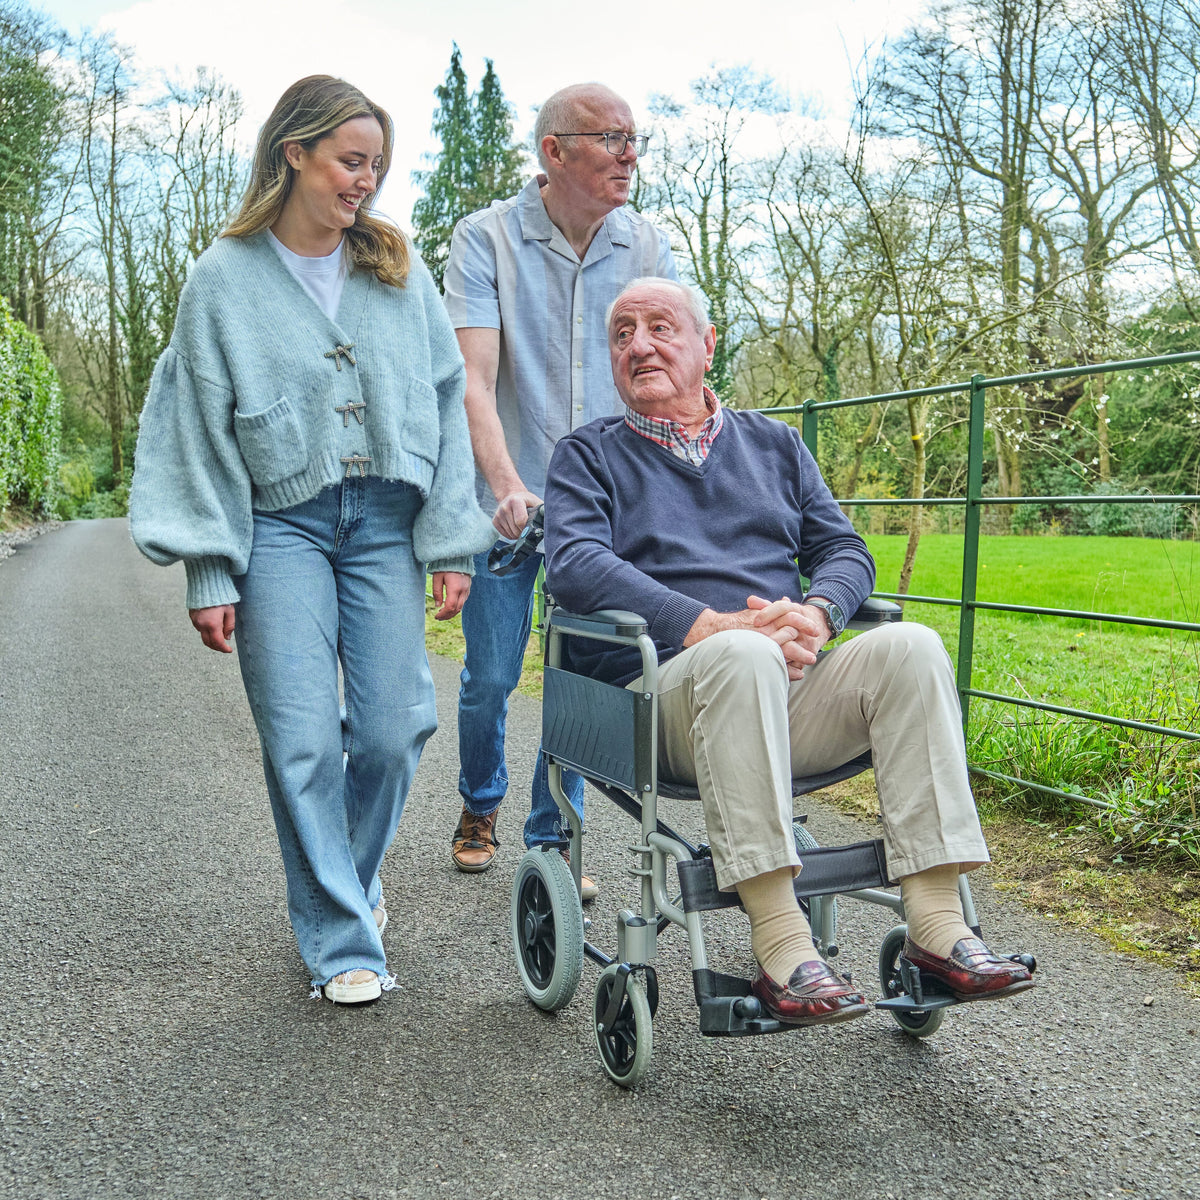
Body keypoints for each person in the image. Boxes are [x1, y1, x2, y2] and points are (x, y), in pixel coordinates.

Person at [542, 278, 1035, 1026]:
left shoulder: (775, 444)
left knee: (910, 646)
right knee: (741, 659)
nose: (639, 344)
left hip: (779, 681)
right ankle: (781, 945)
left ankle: (936, 926)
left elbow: (841, 548)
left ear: (708, 345)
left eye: (660, 327)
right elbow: (574, 563)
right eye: (621, 333)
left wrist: (817, 612)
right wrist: (704, 624)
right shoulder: (588, 455)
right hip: (659, 696)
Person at [129, 76, 495, 1006]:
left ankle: (347, 878)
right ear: (294, 153)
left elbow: (446, 403)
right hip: (277, 528)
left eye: (375, 164)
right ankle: (342, 938)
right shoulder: (223, 278)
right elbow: (195, 426)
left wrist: (452, 541)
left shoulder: (396, 272)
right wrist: (210, 563)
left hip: (383, 523)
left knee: (392, 726)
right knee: (298, 737)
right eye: (349, 161)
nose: (365, 183)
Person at [441, 82, 678, 891]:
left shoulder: (645, 247)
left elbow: (663, 370)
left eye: (634, 137)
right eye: (611, 137)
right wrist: (506, 485)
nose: (630, 154)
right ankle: (481, 799)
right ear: (555, 151)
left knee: (579, 676)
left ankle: (554, 837)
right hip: (506, 501)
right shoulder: (486, 240)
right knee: (494, 677)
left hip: (598, 509)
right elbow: (474, 378)